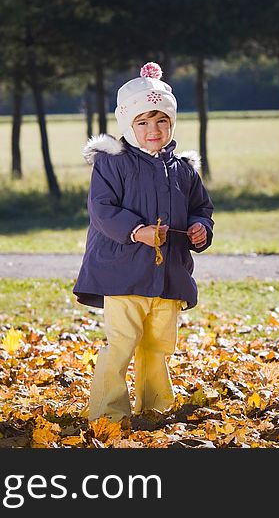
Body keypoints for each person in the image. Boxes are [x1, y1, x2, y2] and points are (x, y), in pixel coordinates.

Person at [73, 61, 214, 423]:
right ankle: (108, 413)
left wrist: (200, 228)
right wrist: (137, 231)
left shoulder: (183, 168)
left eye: (162, 121)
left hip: (168, 274)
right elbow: (102, 210)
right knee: (122, 344)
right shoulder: (112, 164)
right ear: (128, 125)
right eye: (143, 122)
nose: (153, 130)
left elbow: (201, 207)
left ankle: (155, 407)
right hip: (123, 273)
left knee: (158, 345)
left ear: (172, 123)